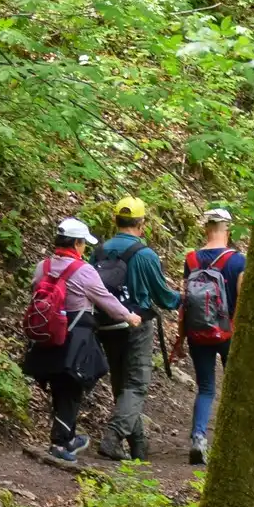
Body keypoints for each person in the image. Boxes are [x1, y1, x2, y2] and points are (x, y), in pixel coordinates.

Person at [21, 217, 136, 465]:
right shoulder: (83, 270)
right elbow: (105, 299)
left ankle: (68, 437)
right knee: (72, 387)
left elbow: (35, 290)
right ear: (75, 243)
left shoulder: (43, 266)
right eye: (83, 243)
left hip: (46, 333)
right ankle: (60, 443)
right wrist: (129, 316)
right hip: (75, 334)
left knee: (60, 386)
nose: (84, 248)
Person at [91, 197, 182, 462]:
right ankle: (112, 437)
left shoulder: (99, 251)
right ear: (142, 224)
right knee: (137, 384)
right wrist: (183, 299)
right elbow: (163, 297)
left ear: (115, 220)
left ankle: (138, 447)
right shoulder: (145, 255)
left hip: (106, 324)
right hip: (137, 325)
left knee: (122, 384)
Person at [172, 207, 246, 465]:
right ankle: (233, 442)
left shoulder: (191, 259)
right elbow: (243, 301)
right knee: (235, 387)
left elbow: (186, 302)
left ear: (206, 228)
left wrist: (180, 338)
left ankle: (198, 438)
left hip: (197, 332)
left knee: (205, 388)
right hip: (228, 332)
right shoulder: (238, 261)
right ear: (229, 229)